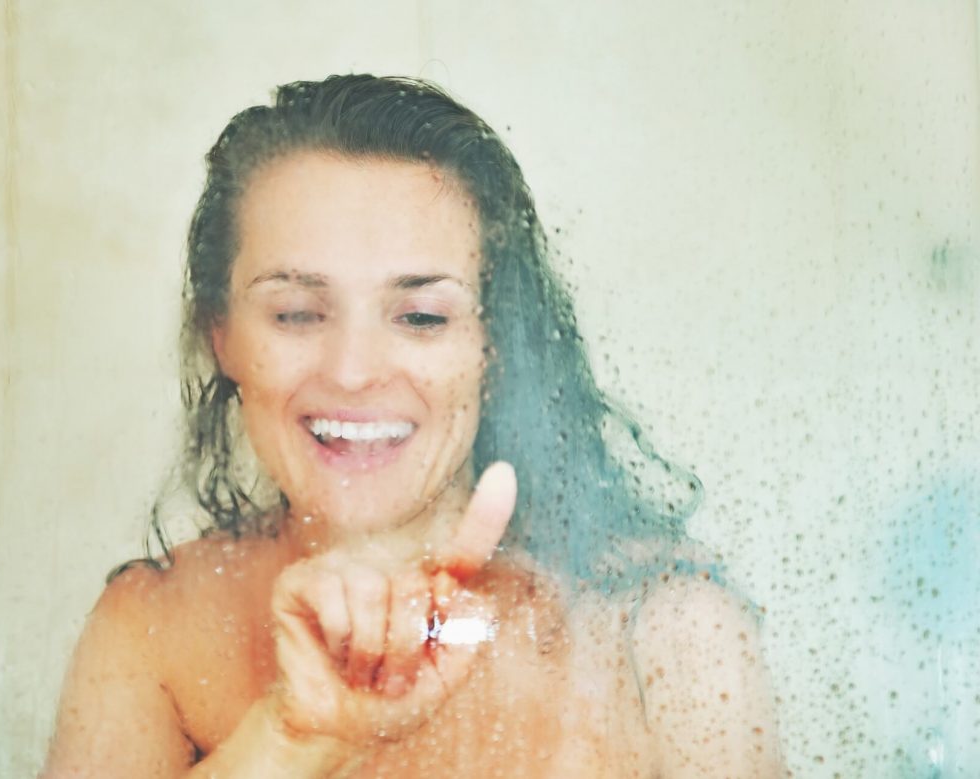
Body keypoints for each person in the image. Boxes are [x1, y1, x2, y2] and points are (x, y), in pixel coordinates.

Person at [40, 75, 785, 777]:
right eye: (296, 313)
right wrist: (288, 740)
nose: (355, 370)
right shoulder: (154, 630)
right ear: (222, 336)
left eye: (422, 316)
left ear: (493, 346)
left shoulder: (661, 629)